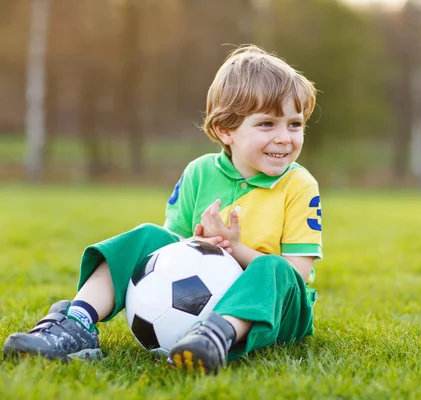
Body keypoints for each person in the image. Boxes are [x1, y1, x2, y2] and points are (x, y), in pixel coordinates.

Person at [3, 45, 323, 375]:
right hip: (204, 296)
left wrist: (235, 248)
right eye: (268, 124)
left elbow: (295, 276)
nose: (285, 138)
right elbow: (173, 251)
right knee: (149, 236)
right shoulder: (200, 173)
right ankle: (77, 321)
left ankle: (215, 336)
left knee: (275, 269)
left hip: (280, 312)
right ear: (225, 129)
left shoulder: (300, 186)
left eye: (295, 124)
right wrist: (200, 243)